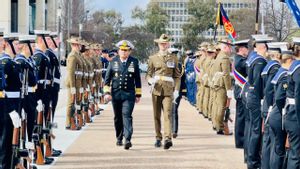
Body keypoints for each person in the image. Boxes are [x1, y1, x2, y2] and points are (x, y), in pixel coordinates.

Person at [103, 40, 142, 150]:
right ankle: (119, 137)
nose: (124, 52)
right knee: (117, 117)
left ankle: (128, 139)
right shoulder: (113, 61)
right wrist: (106, 93)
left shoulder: (134, 62)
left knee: (127, 115)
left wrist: (138, 94)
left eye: (126, 50)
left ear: (129, 51)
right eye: (122, 50)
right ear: (119, 51)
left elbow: (137, 79)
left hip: (129, 94)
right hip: (116, 94)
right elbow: (107, 80)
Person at [146, 34, 181, 149]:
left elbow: (177, 76)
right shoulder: (153, 58)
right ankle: (158, 137)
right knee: (156, 115)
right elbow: (148, 74)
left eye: (165, 43)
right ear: (158, 44)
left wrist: (176, 90)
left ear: (168, 44)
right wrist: (150, 80)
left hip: (168, 90)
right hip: (156, 89)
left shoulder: (174, 58)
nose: (163, 45)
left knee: (167, 114)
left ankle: (167, 138)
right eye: (161, 43)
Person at [246, 35, 273, 169]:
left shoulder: (253, 59)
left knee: (253, 129)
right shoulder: (260, 61)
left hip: (251, 96)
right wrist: (262, 99)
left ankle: (251, 158)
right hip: (256, 98)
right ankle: (253, 161)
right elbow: (258, 83)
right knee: (256, 131)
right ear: (264, 48)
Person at [0, 34, 23, 169]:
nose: (2, 44)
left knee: (9, 141)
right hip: (5, 106)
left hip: (8, 104)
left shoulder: (9, 63)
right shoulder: (4, 63)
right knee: (5, 143)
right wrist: (10, 109)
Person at [260, 42, 284, 169]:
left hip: (267, 106)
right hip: (270, 107)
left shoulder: (269, 65)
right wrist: (270, 106)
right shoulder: (275, 68)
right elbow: (269, 90)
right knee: (271, 142)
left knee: (267, 141)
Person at [268, 50, 293, 169]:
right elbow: (279, 98)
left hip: (275, 115)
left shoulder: (280, 72)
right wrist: (284, 111)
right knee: (279, 150)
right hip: (279, 116)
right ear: (289, 60)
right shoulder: (284, 75)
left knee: (276, 149)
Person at [210, 39, 233, 135]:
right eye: (229, 47)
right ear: (225, 47)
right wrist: (228, 89)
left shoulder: (219, 56)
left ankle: (216, 124)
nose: (231, 49)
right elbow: (226, 74)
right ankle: (220, 127)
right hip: (221, 84)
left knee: (216, 105)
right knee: (221, 106)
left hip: (216, 83)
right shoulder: (224, 58)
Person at [284, 38, 300, 169]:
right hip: (296, 115)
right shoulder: (298, 68)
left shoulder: (294, 66)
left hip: (291, 113)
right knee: (296, 155)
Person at [232, 39, 249, 147]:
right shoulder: (241, 61)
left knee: (240, 116)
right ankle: (240, 140)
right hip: (241, 91)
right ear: (242, 49)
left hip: (238, 91)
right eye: (247, 49)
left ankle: (239, 140)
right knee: (241, 117)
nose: (248, 51)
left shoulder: (237, 59)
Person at [65, 37, 84, 130]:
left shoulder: (78, 55)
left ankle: (74, 120)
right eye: (79, 44)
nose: (81, 46)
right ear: (75, 45)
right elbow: (71, 72)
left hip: (77, 83)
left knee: (76, 102)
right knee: (71, 103)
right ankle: (68, 123)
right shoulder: (73, 55)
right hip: (73, 83)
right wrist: (72, 86)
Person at [169, 48, 187, 139]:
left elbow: (183, 80)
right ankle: (170, 129)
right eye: (173, 54)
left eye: (175, 55)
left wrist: (183, 92)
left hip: (177, 91)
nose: (174, 56)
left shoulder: (180, 66)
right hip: (167, 91)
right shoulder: (166, 65)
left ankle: (174, 130)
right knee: (168, 111)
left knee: (174, 110)